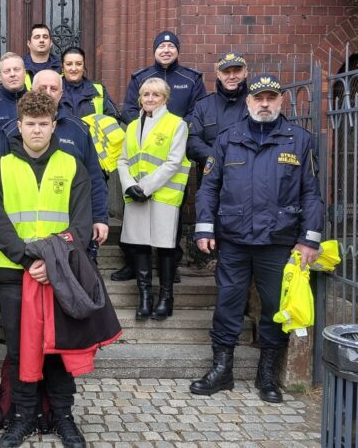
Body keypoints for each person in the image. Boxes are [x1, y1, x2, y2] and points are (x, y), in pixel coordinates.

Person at [190, 74, 323, 403]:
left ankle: (267, 374)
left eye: (271, 98)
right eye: (258, 98)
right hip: (234, 240)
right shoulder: (227, 139)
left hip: (278, 242)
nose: (264, 104)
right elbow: (209, 187)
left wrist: (309, 239)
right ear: (248, 102)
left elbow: (311, 194)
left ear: (281, 102)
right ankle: (222, 369)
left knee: (275, 309)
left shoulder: (299, 140)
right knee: (227, 305)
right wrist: (204, 226)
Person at [0, 91, 92, 448]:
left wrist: (52, 261)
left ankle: (63, 416)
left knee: (58, 348)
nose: (36, 130)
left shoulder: (71, 164)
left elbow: (80, 225)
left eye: (43, 124)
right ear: (18, 126)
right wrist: (30, 260)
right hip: (15, 274)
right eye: (29, 124)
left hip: (60, 274)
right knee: (20, 350)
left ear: (53, 126)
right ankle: (23, 416)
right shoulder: (0, 167)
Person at [114, 31, 206, 283]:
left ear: (177, 50)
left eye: (170, 46)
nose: (166, 50)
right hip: (142, 159)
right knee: (134, 215)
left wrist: (172, 129)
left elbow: (199, 113)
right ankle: (132, 264)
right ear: (154, 50)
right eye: (161, 46)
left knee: (172, 217)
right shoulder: (141, 78)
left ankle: (170, 266)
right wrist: (146, 132)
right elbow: (129, 111)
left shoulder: (191, 79)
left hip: (174, 155)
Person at [0, 69, 110, 248]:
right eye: (43, 88)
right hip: (19, 238)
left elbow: (95, 177)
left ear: (61, 93)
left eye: (53, 88)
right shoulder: (12, 131)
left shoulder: (79, 130)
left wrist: (99, 217)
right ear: (32, 91)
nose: (48, 93)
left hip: (71, 233)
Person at [117, 78, 191, 321]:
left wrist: (145, 187)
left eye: (155, 95)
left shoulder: (176, 124)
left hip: (162, 194)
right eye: (146, 94)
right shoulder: (131, 126)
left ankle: (166, 297)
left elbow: (174, 162)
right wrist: (129, 185)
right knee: (139, 245)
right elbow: (123, 161)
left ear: (165, 98)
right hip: (137, 195)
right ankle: (145, 296)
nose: (150, 99)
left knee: (165, 246)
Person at [186, 51, 250, 181]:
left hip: (248, 178)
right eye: (226, 72)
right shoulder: (203, 105)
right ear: (218, 74)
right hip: (211, 179)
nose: (232, 76)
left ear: (245, 72)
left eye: (237, 71)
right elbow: (192, 142)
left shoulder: (256, 104)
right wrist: (215, 159)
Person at [59, 47, 120, 122]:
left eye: (78, 64)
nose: (74, 69)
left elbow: (113, 118)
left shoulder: (98, 90)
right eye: (69, 64)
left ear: (83, 67)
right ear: (62, 68)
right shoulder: (52, 88)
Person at [23, 24, 61, 89]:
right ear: (29, 43)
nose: (41, 40)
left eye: (45, 37)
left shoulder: (61, 67)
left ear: (51, 43)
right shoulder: (20, 68)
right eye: (37, 37)